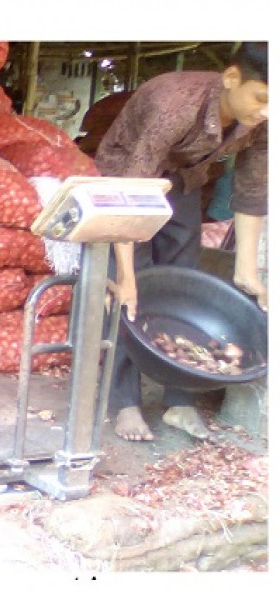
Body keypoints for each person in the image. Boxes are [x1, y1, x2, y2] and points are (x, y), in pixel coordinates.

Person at [96, 42, 268, 442]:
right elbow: (134, 188)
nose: (266, 111)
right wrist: (125, 273)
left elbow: (252, 191)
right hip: (124, 181)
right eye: (261, 98)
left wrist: (246, 271)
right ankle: (125, 402)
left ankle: (180, 401)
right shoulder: (174, 104)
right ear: (231, 79)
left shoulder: (261, 121)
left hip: (183, 181)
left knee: (183, 280)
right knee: (130, 291)